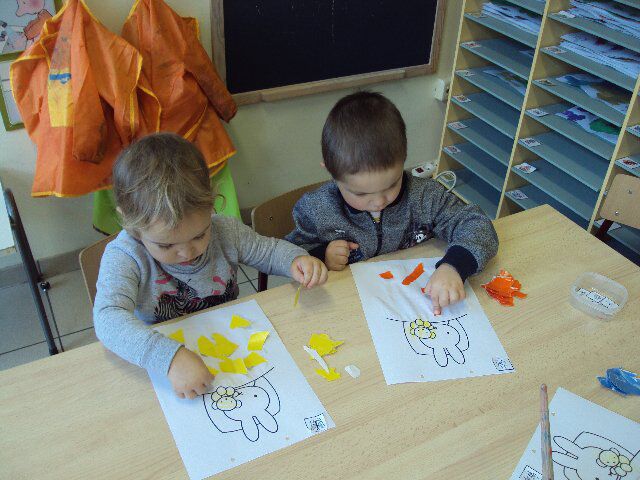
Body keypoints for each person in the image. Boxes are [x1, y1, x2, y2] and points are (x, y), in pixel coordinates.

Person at [94, 133, 327, 399]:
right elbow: (107, 319)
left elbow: (269, 251)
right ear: (131, 223)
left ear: (211, 204)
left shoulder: (225, 231)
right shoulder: (126, 255)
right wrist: (168, 358)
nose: (186, 253)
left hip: (228, 342)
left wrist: (296, 260)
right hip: (166, 361)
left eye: (199, 236)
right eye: (166, 245)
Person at [286, 91, 498, 314]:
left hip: (411, 301)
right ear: (332, 172)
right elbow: (291, 254)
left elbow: (477, 225)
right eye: (361, 194)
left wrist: (454, 266)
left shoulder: (425, 196)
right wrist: (322, 256)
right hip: (348, 306)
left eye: (391, 185)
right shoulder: (317, 209)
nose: (379, 202)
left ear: (403, 159)